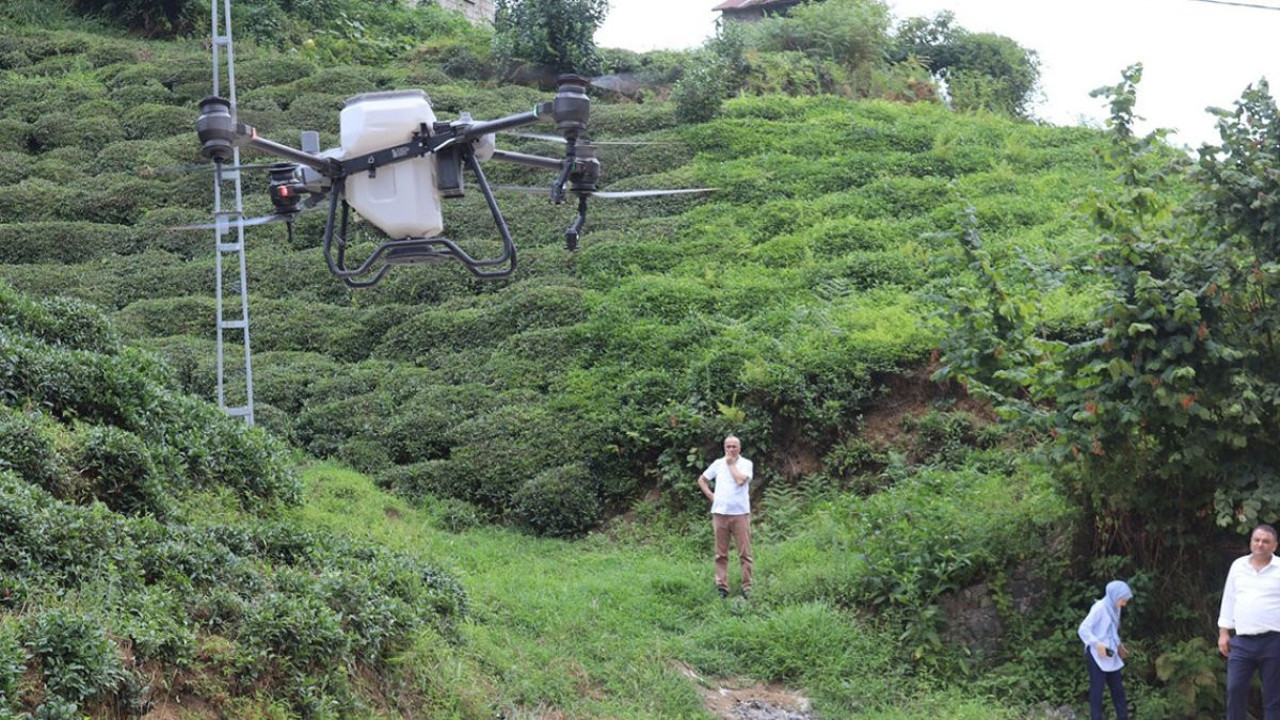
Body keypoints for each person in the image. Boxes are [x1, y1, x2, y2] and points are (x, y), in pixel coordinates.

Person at [1219, 523, 1280, 720]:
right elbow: (1229, 599)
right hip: (1243, 641)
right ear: (1251, 542)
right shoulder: (1238, 566)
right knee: (1234, 689)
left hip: (1274, 640)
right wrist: (1224, 632)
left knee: (1273, 696)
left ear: (1275, 546)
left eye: (1266, 541)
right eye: (1257, 540)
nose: (1260, 544)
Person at [697, 435, 753, 599]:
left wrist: (731, 465)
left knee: (745, 553)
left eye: (734, 446)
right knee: (720, 554)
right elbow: (702, 480)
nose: (731, 449)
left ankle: (747, 586)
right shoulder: (717, 464)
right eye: (728, 446)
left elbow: (741, 480)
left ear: (739, 448)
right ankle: (722, 586)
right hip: (720, 514)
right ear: (724, 447)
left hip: (740, 514)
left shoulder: (746, 464)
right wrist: (711, 496)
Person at [1078, 580, 1133, 720]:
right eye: (1123, 600)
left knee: (1118, 690)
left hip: (1111, 653)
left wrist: (1119, 646)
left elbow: (1112, 630)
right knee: (1097, 690)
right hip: (1097, 654)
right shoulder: (1099, 608)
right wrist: (1097, 644)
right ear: (1115, 596)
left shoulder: (1116, 608)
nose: (1124, 604)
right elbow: (1083, 629)